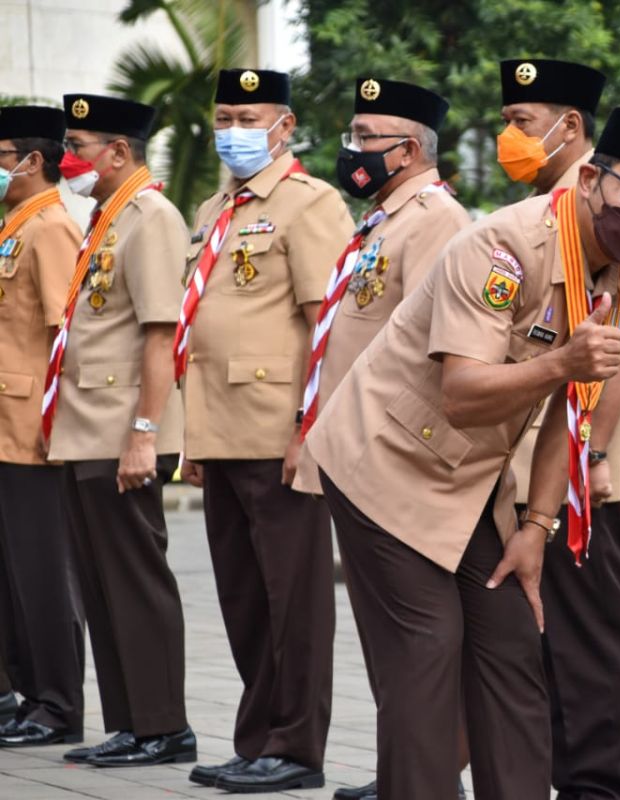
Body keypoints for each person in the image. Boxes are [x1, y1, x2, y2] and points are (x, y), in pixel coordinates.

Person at [305, 107, 620, 800]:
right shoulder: (502, 248)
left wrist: (536, 527)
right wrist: (564, 366)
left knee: (513, 647)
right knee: (427, 654)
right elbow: (463, 392)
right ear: (590, 180)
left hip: (475, 478)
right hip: (385, 460)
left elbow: (569, 411)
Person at [288, 76, 471, 800]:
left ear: (409, 148)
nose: (353, 151)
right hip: (356, 450)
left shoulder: (435, 221)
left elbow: (434, 348)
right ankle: (405, 769)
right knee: (386, 638)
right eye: (354, 136)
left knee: (411, 636)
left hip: (394, 455)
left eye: (368, 139)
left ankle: (424, 777)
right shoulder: (385, 218)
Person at [176, 68, 353, 793]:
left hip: (278, 430)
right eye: (224, 116)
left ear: (284, 125)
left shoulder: (309, 204)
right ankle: (257, 741)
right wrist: (194, 437)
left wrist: (310, 430)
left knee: (294, 600)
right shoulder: (217, 206)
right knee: (244, 598)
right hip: (220, 431)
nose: (233, 130)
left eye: (249, 116)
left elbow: (328, 325)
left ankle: (297, 748)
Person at [497, 58, 620, 800]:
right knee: (551, 638)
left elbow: (611, 361)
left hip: (574, 473)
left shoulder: (601, 216)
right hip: (536, 463)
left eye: (523, 123)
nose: (509, 137)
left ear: (571, 129)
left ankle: (604, 786)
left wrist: (593, 460)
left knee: (593, 641)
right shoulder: (541, 211)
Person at [40, 93, 194, 764]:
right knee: (102, 584)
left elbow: (160, 334)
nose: (68, 160)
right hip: (85, 427)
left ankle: (163, 727)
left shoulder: (151, 217)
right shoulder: (108, 218)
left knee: (135, 581)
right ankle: (131, 723)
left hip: (120, 431)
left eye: (79, 146)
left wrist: (144, 432)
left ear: (119, 152)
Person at [0, 105, 85, 748]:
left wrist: (59, 426)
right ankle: (19, 693)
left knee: (41, 575)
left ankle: (57, 702)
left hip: (31, 429)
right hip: (3, 424)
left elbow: (66, 335)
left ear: (31, 161)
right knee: (10, 574)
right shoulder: (13, 227)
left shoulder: (51, 228)